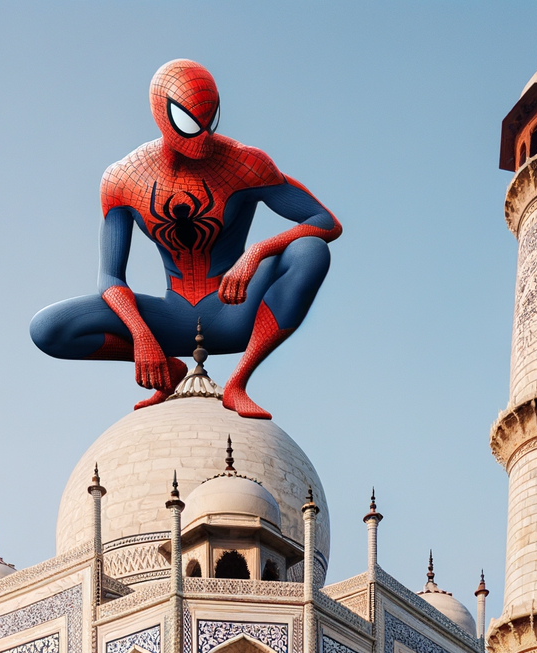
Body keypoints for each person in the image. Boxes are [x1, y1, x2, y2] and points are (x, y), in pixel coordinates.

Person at [30, 59, 341, 419]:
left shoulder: (245, 164)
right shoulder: (123, 179)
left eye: (210, 122)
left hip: (235, 307)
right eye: (191, 124)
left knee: (310, 251)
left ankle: (238, 383)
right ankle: (170, 370)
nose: (204, 138)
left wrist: (256, 252)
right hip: (171, 317)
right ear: (164, 114)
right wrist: (143, 338)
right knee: (48, 329)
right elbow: (111, 279)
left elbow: (324, 221)